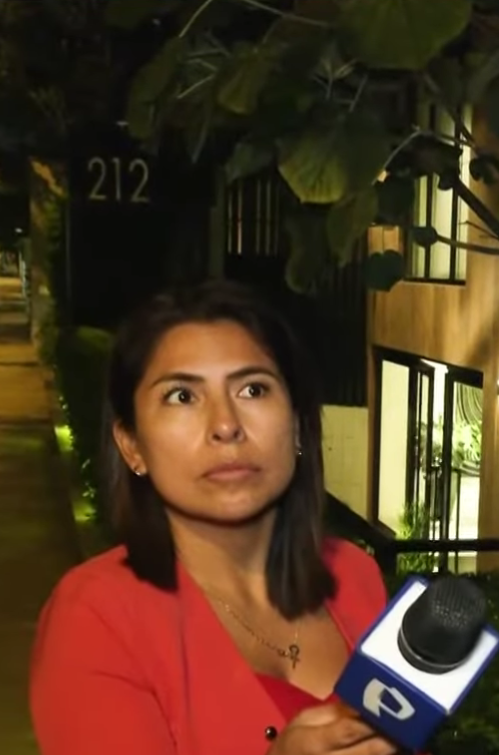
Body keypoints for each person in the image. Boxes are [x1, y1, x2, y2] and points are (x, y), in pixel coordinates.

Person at [30, 281, 398, 755]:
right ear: (132, 445)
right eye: (181, 396)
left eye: (253, 389)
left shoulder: (354, 574)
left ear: (297, 424)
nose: (226, 425)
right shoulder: (93, 618)